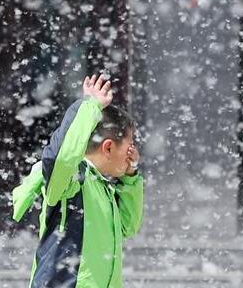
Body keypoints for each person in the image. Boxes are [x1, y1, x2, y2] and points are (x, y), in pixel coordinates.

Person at [12, 74, 144, 287]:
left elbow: (128, 226)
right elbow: (60, 158)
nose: (134, 153)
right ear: (108, 147)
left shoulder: (103, 186)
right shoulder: (74, 180)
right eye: (130, 145)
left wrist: (131, 178)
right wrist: (89, 107)